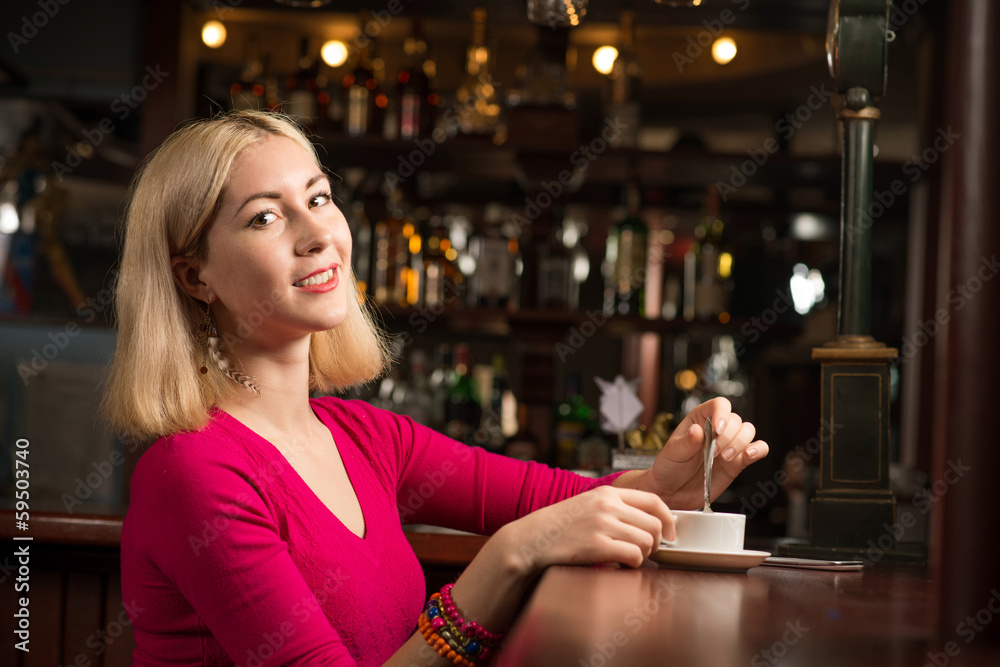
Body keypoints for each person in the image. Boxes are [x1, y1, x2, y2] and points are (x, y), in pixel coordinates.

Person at [102, 110, 768, 667]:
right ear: (195, 277)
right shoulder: (194, 470)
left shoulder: (367, 435)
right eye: (263, 218)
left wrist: (667, 481)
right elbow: (537, 528)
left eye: (318, 199)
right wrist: (511, 554)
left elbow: (557, 499)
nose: (317, 237)